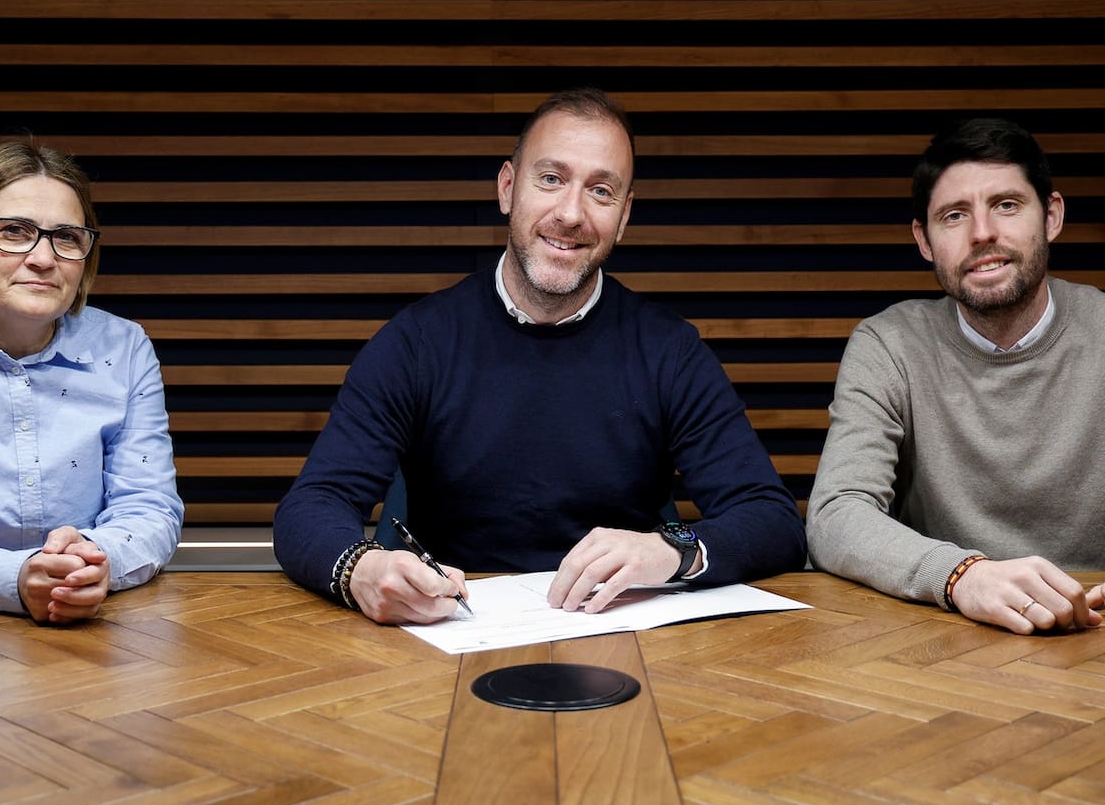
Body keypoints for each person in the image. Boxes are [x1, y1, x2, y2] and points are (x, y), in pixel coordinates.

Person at [274, 87, 806, 624]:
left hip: (623, 636)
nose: (570, 213)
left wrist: (673, 552)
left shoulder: (670, 352)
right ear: (508, 188)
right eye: (550, 179)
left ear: (623, 216)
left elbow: (771, 519)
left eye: (601, 191)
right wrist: (359, 568)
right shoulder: (415, 343)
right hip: (449, 635)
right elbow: (310, 508)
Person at [807, 117, 1105, 636]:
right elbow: (837, 514)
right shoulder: (889, 344)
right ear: (925, 240)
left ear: (1052, 216)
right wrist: (963, 576)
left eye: (1006, 206)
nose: (982, 233)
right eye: (953, 215)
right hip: (940, 638)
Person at [0, 138, 184, 623]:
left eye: (68, 237)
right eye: (14, 231)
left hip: (98, 632)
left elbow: (150, 508)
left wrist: (97, 561)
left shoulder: (124, 346)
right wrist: (15, 578)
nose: (43, 257)